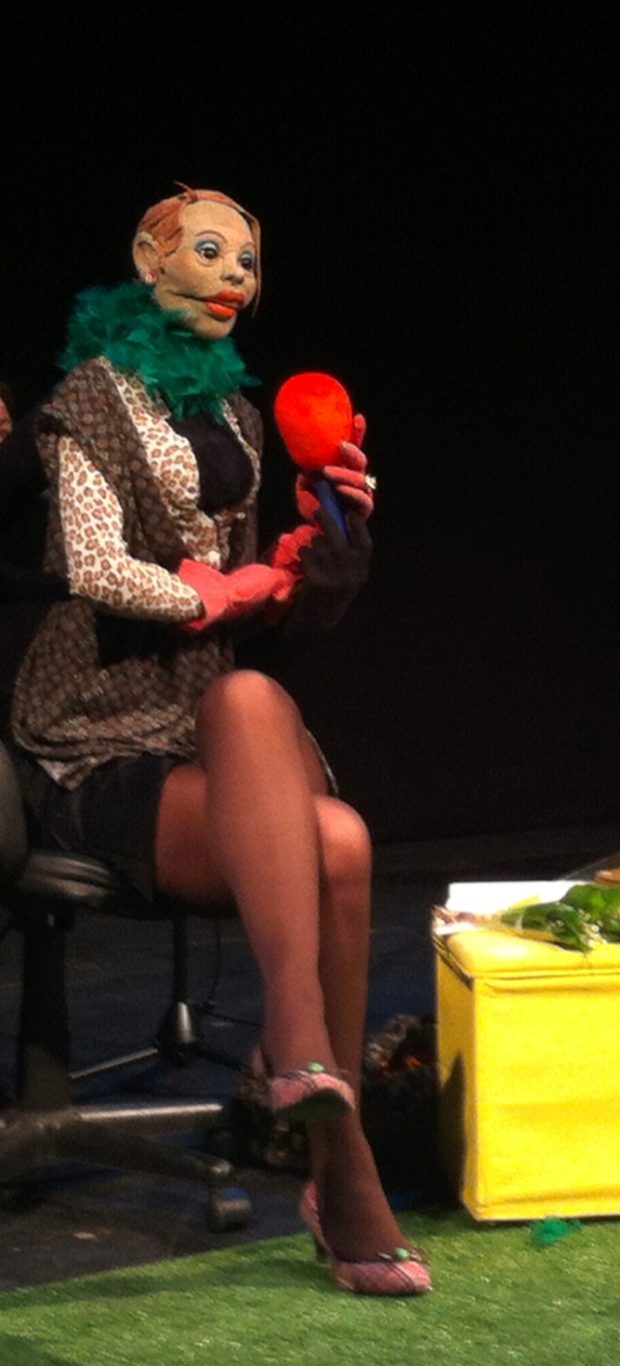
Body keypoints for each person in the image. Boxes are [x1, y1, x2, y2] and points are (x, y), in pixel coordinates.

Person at [9, 187, 429, 1296]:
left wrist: (321, 552)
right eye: (211, 251)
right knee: (336, 837)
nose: (237, 275)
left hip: (206, 726)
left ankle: (303, 1069)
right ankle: (336, 1152)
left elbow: (270, 611)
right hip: (95, 732)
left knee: (250, 705)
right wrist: (211, 593)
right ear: (150, 260)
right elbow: (94, 565)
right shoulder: (89, 400)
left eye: (249, 259)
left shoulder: (239, 418)